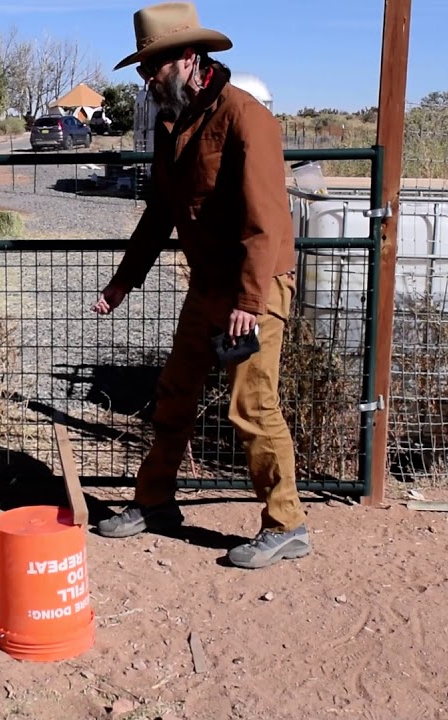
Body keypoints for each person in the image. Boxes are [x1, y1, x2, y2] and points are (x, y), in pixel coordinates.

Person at [92, 2, 309, 569]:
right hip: (207, 284)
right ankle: (156, 503)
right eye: (142, 71)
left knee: (252, 405)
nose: (146, 80)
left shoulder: (246, 119)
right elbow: (159, 211)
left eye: (152, 69)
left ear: (187, 59)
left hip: (254, 284)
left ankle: (287, 524)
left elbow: (265, 219)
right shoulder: (174, 123)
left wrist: (248, 301)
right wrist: (122, 283)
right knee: (175, 392)